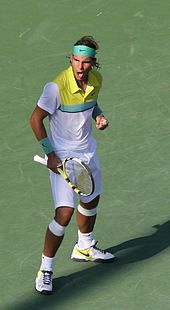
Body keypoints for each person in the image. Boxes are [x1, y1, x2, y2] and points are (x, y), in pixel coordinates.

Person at [30, 35, 115, 295]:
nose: (79, 67)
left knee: (90, 202)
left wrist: (98, 115)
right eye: (76, 60)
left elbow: (91, 103)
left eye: (85, 62)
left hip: (88, 153)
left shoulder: (96, 81)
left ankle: (84, 246)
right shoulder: (55, 87)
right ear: (71, 58)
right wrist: (50, 153)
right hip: (63, 158)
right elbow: (35, 119)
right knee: (64, 213)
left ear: (93, 64)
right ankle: (45, 269)